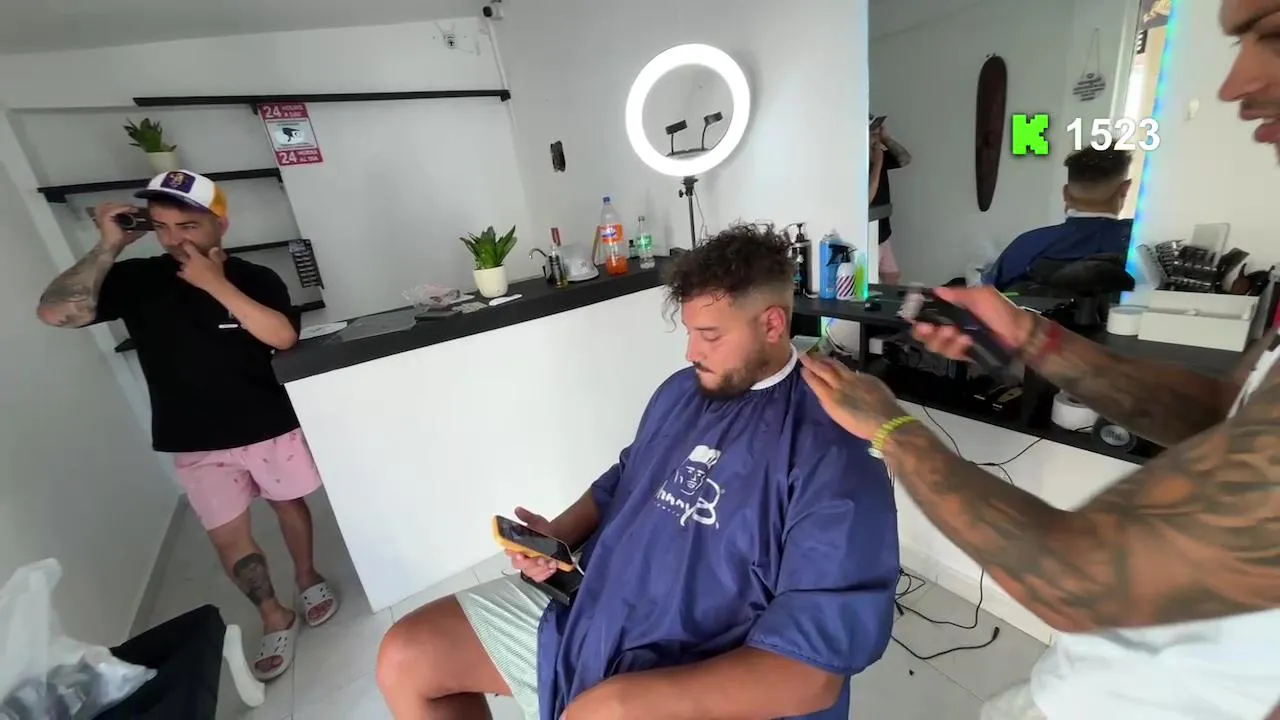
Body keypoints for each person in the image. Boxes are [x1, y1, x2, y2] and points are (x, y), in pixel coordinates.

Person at [797, 3, 1280, 712]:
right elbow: (1221, 412)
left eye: (1271, 34)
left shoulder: (1033, 245)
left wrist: (890, 427)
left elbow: (1075, 578)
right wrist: (1030, 336)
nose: (1234, 83)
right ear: (1121, 193)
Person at [376, 225, 899, 720]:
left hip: (702, 665)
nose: (691, 352)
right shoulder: (681, 391)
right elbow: (624, 478)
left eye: (710, 335)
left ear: (772, 324)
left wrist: (624, 703)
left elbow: (811, 674)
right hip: (592, 608)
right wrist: (557, 536)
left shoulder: (834, 443)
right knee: (406, 656)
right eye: (690, 332)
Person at [35, 170, 338, 681]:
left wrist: (214, 283)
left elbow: (282, 337)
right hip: (194, 439)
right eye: (161, 226)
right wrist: (108, 247)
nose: (175, 239)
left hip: (266, 423)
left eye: (188, 225)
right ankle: (273, 615)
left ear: (221, 224)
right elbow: (55, 312)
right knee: (227, 538)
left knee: (290, 504)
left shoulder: (256, 278)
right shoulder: (137, 279)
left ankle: (308, 576)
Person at [983, 145, 1134, 291]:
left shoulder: (1026, 247)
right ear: (1124, 189)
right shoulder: (1136, 245)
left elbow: (987, 295)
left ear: (1066, 194)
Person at [869, 119, 911, 285]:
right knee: (870, 283)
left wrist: (887, 139)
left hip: (883, 233)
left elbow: (905, 159)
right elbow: (866, 199)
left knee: (892, 278)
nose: (876, 137)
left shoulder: (879, 155)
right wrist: (878, 164)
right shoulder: (857, 162)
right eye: (872, 133)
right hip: (869, 236)